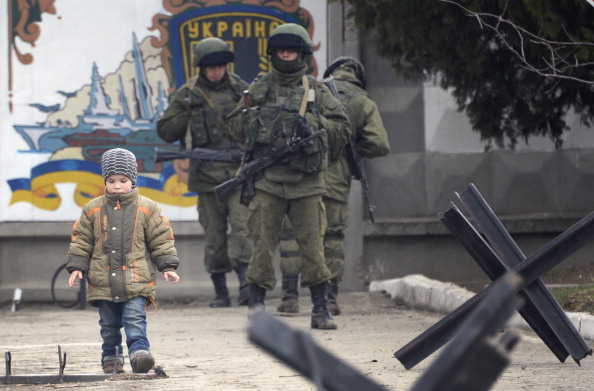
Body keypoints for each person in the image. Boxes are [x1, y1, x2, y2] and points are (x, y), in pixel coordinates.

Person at [226, 23, 351, 329]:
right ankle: (256, 307)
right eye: (281, 49)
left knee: (312, 247)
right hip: (268, 181)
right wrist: (251, 119)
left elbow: (343, 129)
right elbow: (234, 127)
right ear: (273, 53)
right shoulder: (261, 86)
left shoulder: (316, 89)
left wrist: (315, 125)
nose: (286, 54)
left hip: (307, 184)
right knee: (262, 246)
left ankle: (320, 309)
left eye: (292, 49)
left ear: (302, 53)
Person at [277, 56, 391, 315]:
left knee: (293, 233)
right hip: (336, 177)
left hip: (301, 173)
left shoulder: (313, 91)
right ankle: (329, 298)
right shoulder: (363, 101)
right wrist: (351, 151)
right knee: (332, 237)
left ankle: (290, 297)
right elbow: (380, 144)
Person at [66, 148, 181, 374]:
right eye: (111, 180)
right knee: (108, 325)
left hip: (136, 278)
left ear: (133, 180)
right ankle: (111, 357)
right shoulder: (93, 209)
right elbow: (81, 240)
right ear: (105, 181)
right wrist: (77, 266)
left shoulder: (148, 208)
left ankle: (140, 355)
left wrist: (167, 266)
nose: (117, 185)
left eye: (123, 180)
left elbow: (161, 239)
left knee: (135, 319)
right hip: (102, 280)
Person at [157, 37, 252, 308]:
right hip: (207, 177)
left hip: (239, 173)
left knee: (243, 228)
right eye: (210, 66)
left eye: (220, 65)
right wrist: (186, 114)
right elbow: (165, 130)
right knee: (214, 234)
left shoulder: (240, 90)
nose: (216, 71)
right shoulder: (189, 94)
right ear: (202, 67)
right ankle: (220, 291)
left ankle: (247, 286)